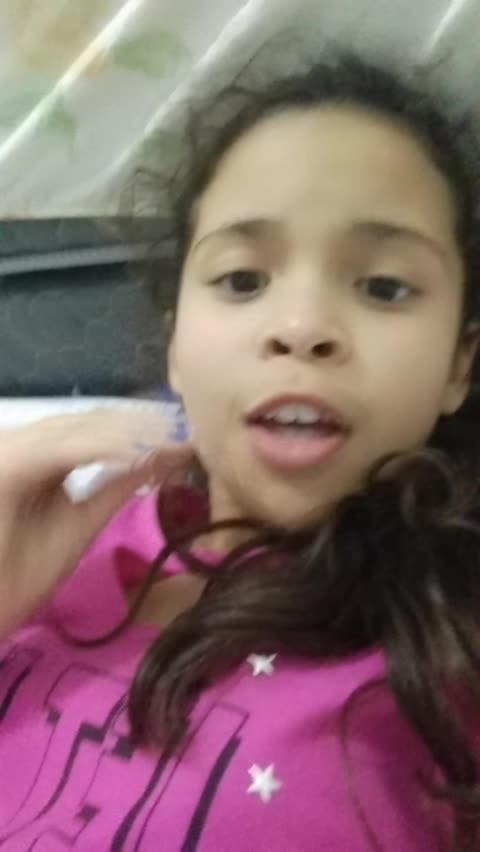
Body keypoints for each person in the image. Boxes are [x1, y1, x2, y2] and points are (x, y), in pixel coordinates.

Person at [0, 49, 480, 852]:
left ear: (460, 364)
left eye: (384, 287)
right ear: (175, 344)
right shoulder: (51, 544)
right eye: (243, 280)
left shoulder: (451, 640)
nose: (302, 327)